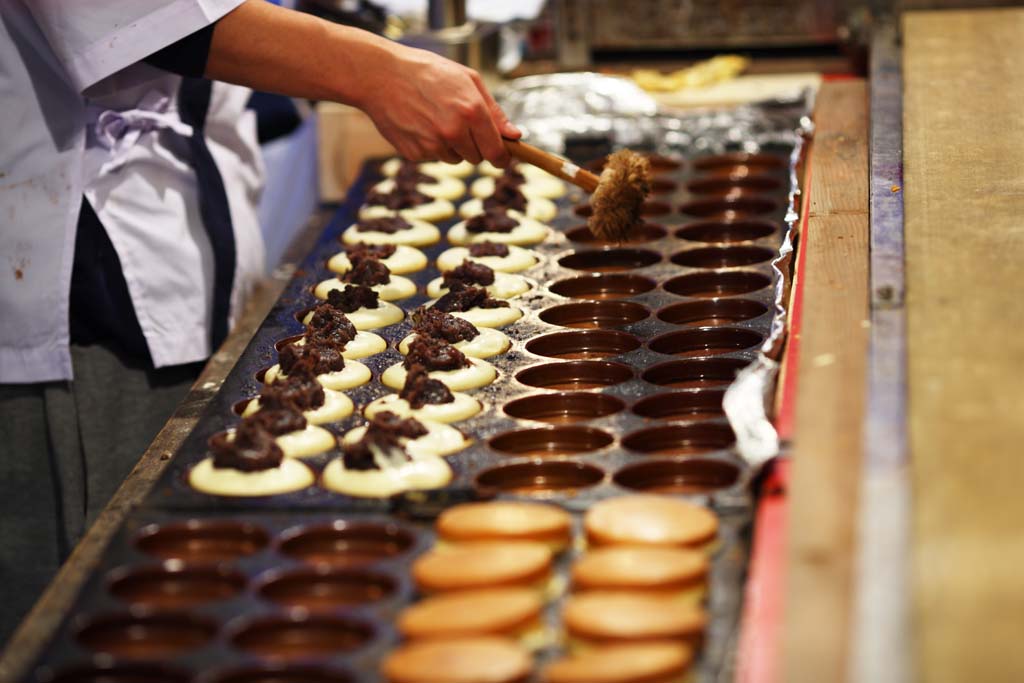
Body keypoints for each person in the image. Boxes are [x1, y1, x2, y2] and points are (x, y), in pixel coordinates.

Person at [0, 0, 520, 643]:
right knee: (108, 608)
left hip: (171, 219)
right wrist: (373, 69)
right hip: (68, 275)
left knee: (207, 581)